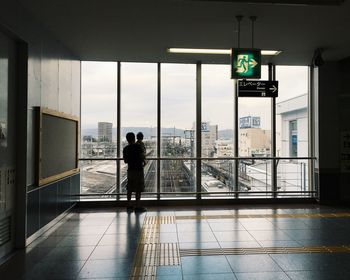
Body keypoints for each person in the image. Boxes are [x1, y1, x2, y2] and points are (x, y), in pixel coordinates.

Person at [123, 132, 146, 213]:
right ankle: (137, 206)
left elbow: (125, 161)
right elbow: (142, 157)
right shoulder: (139, 147)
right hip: (139, 170)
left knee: (130, 188)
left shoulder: (125, 149)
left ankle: (129, 205)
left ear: (127, 139)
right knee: (138, 188)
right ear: (134, 138)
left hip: (130, 170)